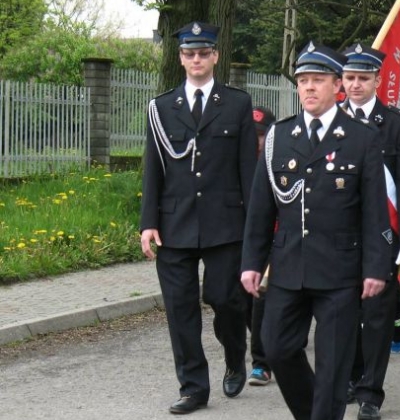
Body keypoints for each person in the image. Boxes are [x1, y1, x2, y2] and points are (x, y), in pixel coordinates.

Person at [239, 41, 391, 420]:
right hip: (289, 264)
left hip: (340, 268)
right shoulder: (279, 136)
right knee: (276, 347)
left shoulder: (361, 137)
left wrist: (376, 267)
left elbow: (375, 212)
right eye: (303, 80)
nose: (308, 87)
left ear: (337, 85)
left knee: (334, 362)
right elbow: (261, 207)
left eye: (317, 80)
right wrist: (251, 262)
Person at [139, 21, 256, 415]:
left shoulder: (237, 104)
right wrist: (147, 222)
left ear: (215, 56)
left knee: (226, 300)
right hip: (174, 224)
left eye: (203, 53)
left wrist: (254, 230)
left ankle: (236, 354)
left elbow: (247, 170)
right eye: (189, 54)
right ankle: (193, 388)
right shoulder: (160, 107)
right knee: (180, 309)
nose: (196, 60)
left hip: (226, 224)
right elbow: (152, 169)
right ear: (181, 58)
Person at [338, 43, 400, 420]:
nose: (355, 85)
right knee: (342, 312)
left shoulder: (396, 124)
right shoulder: (329, 119)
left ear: (377, 80)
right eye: (350, 77)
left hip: (382, 236)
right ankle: (352, 378)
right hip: (338, 236)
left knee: (376, 315)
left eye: (363, 78)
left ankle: (371, 391)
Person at [246, 105, 276, 386]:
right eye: (253, 135)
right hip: (238, 238)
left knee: (262, 298)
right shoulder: (235, 160)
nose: (257, 141)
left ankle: (261, 363)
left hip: (275, 239)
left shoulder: (277, 157)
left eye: (262, 135)